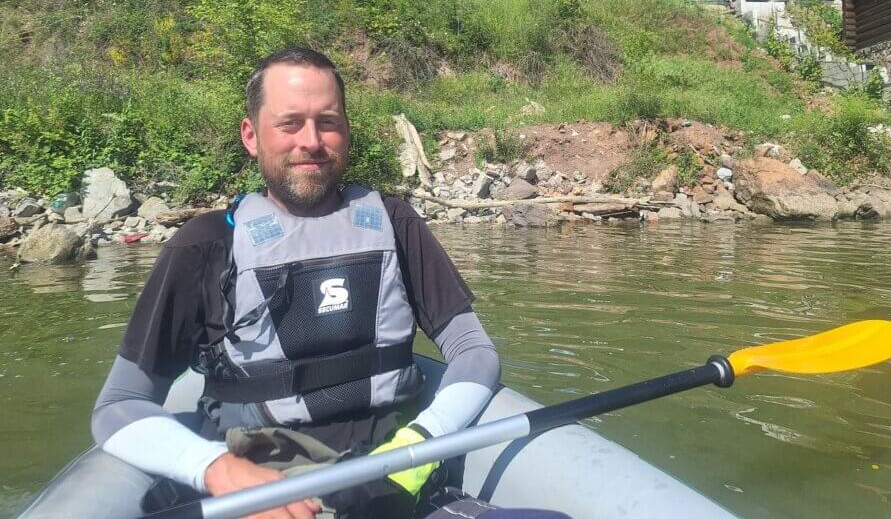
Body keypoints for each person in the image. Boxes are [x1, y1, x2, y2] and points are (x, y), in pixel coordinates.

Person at [92, 48, 569, 519]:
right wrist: (215, 469)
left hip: (397, 485)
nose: (311, 141)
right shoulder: (206, 245)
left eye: (328, 122)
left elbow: (475, 352)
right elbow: (119, 406)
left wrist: (418, 447)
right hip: (266, 496)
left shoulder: (395, 222)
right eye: (289, 123)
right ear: (251, 135)